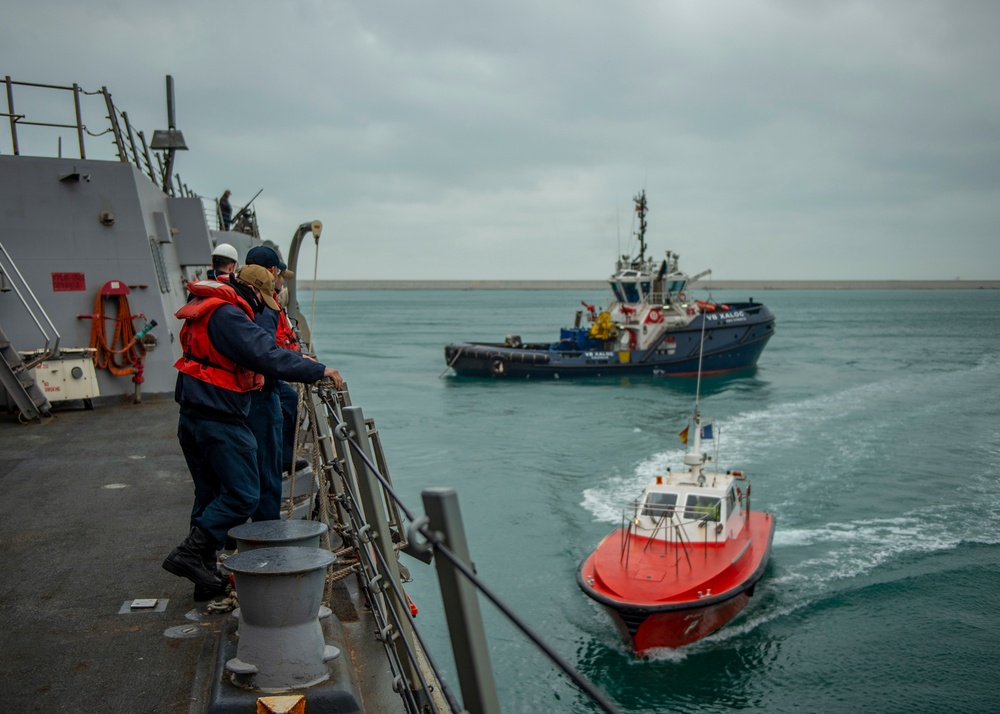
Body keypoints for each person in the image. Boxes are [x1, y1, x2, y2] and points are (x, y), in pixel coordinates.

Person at [162, 264, 344, 599]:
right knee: (245, 493)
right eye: (264, 299)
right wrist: (316, 369)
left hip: (193, 415)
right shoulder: (229, 316)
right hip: (220, 419)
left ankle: (202, 575)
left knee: (210, 493)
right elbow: (266, 355)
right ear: (255, 292)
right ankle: (189, 554)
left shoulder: (211, 310)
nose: (262, 308)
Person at [243, 246, 292, 522]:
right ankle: (267, 531)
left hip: (245, 391)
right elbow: (264, 354)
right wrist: (309, 368)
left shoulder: (240, 301)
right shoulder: (262, 306)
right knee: (267, 464)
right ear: (271, 272)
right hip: (261, 392)